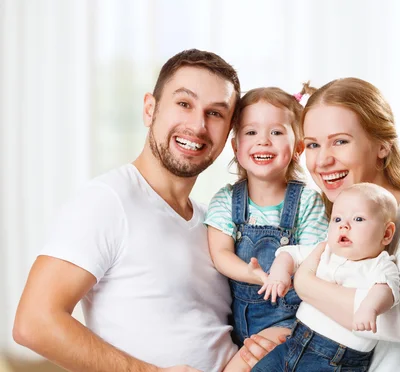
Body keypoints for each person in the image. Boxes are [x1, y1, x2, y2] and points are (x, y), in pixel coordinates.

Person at [12, 49, 277, 372]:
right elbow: (34, 322)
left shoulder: (215, 223)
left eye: (215, 113)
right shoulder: (108, 200)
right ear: (150, 109)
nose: (197, 125)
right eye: (184, 104)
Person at [260, 78, 400, 372]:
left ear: (382, 145)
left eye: (340, 141)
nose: (322, 160)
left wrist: (306, 284)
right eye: (314, 145)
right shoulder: (336, 223)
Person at [204, 87, 329, 369]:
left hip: (293, 321)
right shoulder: (226, 200)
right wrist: (250, 273)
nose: (263, 141)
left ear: (298, 148)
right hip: (242, 325)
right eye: (251, 132)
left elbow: (312, 258)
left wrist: (280, 273)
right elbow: (220, 253)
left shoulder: (308, 201)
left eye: (276, 132)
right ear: (235, 147)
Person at [252, 182, 400, 371]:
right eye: (337, 219)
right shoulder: (325, 251)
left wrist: (369, 307)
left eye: (358, 219)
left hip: (335, 359)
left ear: (387, 234)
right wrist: (279, 274)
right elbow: (289, 254)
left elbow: (386, 289)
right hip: (294, 341)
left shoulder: (379, 264)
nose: (344, 226)